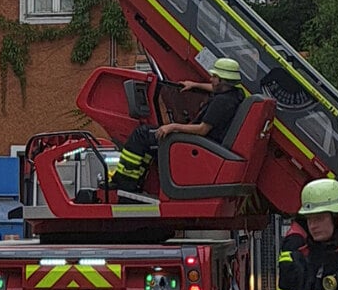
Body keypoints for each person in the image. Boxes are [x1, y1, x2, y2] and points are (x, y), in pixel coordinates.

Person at [105, 57, 245, 194]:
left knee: (142, 134)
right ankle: (135, 180)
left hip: (197, 142)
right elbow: (214, 88)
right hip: (207, 143)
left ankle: (124, 182)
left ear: (222, 80)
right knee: (151, 141)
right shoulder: (236, 94)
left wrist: (173, 127)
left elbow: (202, 130)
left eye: (214, 76)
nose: (211, 79)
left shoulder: (220, 102)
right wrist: (195, 85)